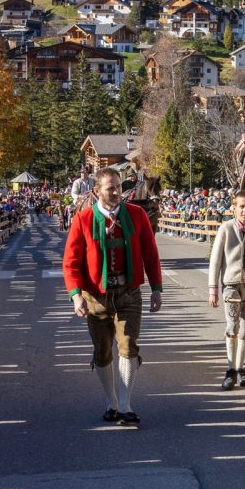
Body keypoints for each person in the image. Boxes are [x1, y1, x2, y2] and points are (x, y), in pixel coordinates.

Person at [62, 167, 162, 427]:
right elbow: (70, 262)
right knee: (102, 350)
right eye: (110, 188)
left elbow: (151, 255)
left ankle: (126, 405)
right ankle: (111, 402)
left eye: (118, 186)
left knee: (128, 346)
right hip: (96, 296)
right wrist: (76, 295)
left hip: (129, 293)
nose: (116, 191)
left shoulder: (137, 215)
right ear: (97, 191)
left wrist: (156, 289)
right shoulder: (83, 220)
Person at [208, 190, 245, 390]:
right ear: (234, 208)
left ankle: (240, 369)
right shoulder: (226, 229)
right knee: (232, 326)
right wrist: (213, 290)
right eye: (241, 207)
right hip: (231, 286)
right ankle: (230, 370)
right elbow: (215, 260)